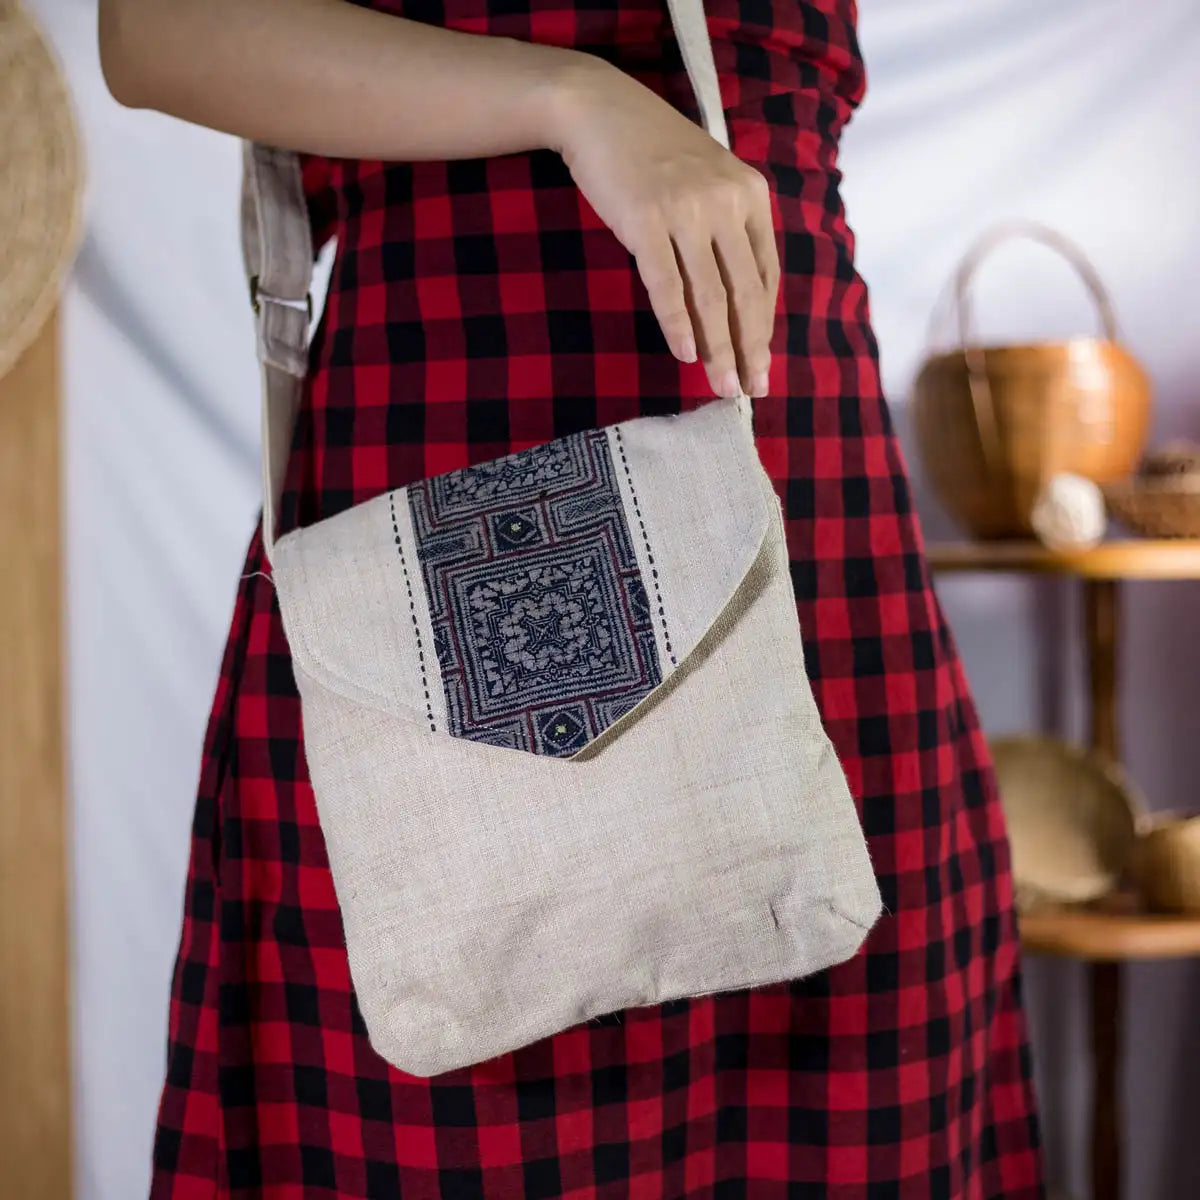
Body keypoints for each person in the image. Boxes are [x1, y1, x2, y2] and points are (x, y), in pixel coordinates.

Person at [99, 0, 1044, 1194]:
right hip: (457, 432)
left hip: (792, 462)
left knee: (839, 1094)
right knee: (457, 1108)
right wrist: (573, 100)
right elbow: (155, 32)